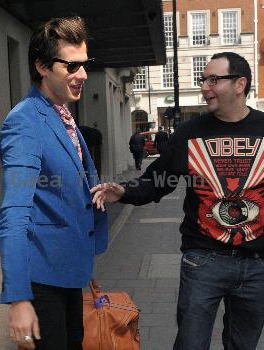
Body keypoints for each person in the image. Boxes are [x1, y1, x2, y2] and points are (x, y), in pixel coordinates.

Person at [91, 52, 264, 350]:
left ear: (240, 84)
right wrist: (124, 191)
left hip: (258, 264)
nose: (204, 87)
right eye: (203, 79)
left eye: (214, 80)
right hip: (204, 259)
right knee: (190, 343)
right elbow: (158, 179)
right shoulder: (189, 133)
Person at [0, 16, 108, 350]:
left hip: (68, 273)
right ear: (42, 67)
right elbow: (14, 214)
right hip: (41, 282)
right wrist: (18, 299)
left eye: (84, 64)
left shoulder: (62, 113)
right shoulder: (25, 122)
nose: (83, 74)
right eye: (72, 66)